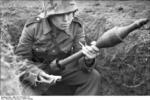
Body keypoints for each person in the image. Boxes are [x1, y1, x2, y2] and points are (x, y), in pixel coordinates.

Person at [15, 0, 100, 95]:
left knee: (92, 77)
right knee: (23, 91)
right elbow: (20, 60)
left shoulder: (76, 26)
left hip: (62, 67)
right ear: (50, 15)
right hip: (36, 69)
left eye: (69, 13)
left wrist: (88, 60)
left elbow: (79, 59)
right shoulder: (33, 27)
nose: (66, 19)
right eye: (60, 15)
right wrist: (37, 73)